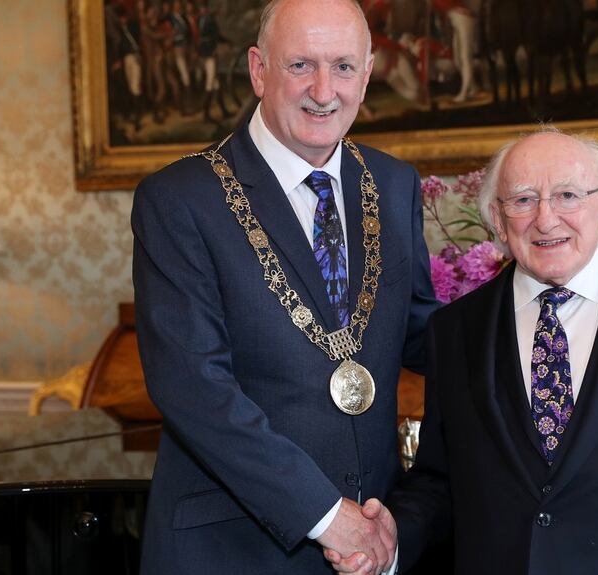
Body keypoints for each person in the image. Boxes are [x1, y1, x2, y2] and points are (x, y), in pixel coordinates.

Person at [332, 128, 598, 574]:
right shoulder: (454, 331)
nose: (545, 218)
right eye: (522, 200)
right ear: (497, 221)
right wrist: (392, 536)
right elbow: (442, 483)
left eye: (568, 195)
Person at [131, 0, 439, 572]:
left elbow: (424, 335)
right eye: (301, 64)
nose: (324, 89)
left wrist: (536, 320)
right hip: (235, 548)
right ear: (258, 69)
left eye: (344, 67)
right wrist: (325, 513)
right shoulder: (179, 199)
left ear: (368, 74)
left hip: (374, 540)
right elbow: (194, 388)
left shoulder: (394, 184)